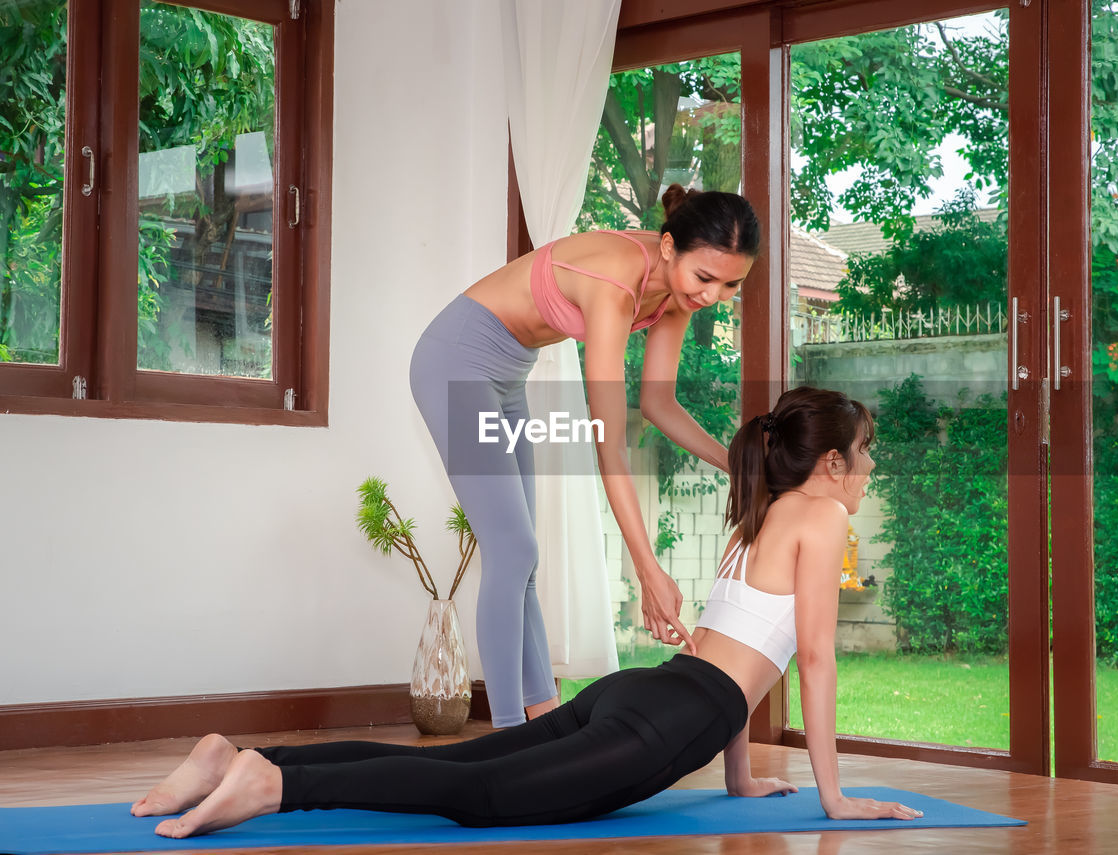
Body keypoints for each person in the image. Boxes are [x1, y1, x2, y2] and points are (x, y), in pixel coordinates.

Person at [132, 386, 924, 839]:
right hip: (673, 716)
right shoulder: (821, 517)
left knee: (461, 765)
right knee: (481, 799)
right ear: (831, 461)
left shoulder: (763, 512)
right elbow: (809, 659)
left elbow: (740, 647)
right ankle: (272, 785)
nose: (869, 464)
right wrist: (835, 799)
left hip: (644, 690)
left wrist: (743, 778)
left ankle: (236, 754)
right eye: (865, 450)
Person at [408, 185, 759, 727]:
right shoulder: (616, 281)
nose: (714, 295)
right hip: (457, 362)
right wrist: (648, 571)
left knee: (521, 558)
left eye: (732, 283)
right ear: (669, 248)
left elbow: (659, 404)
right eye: (705, 278)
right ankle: (506, 739)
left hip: (507, 377)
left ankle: (542, 717)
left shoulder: (676, 294)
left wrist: (737, 463)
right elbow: (609, 443)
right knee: (512, 549)